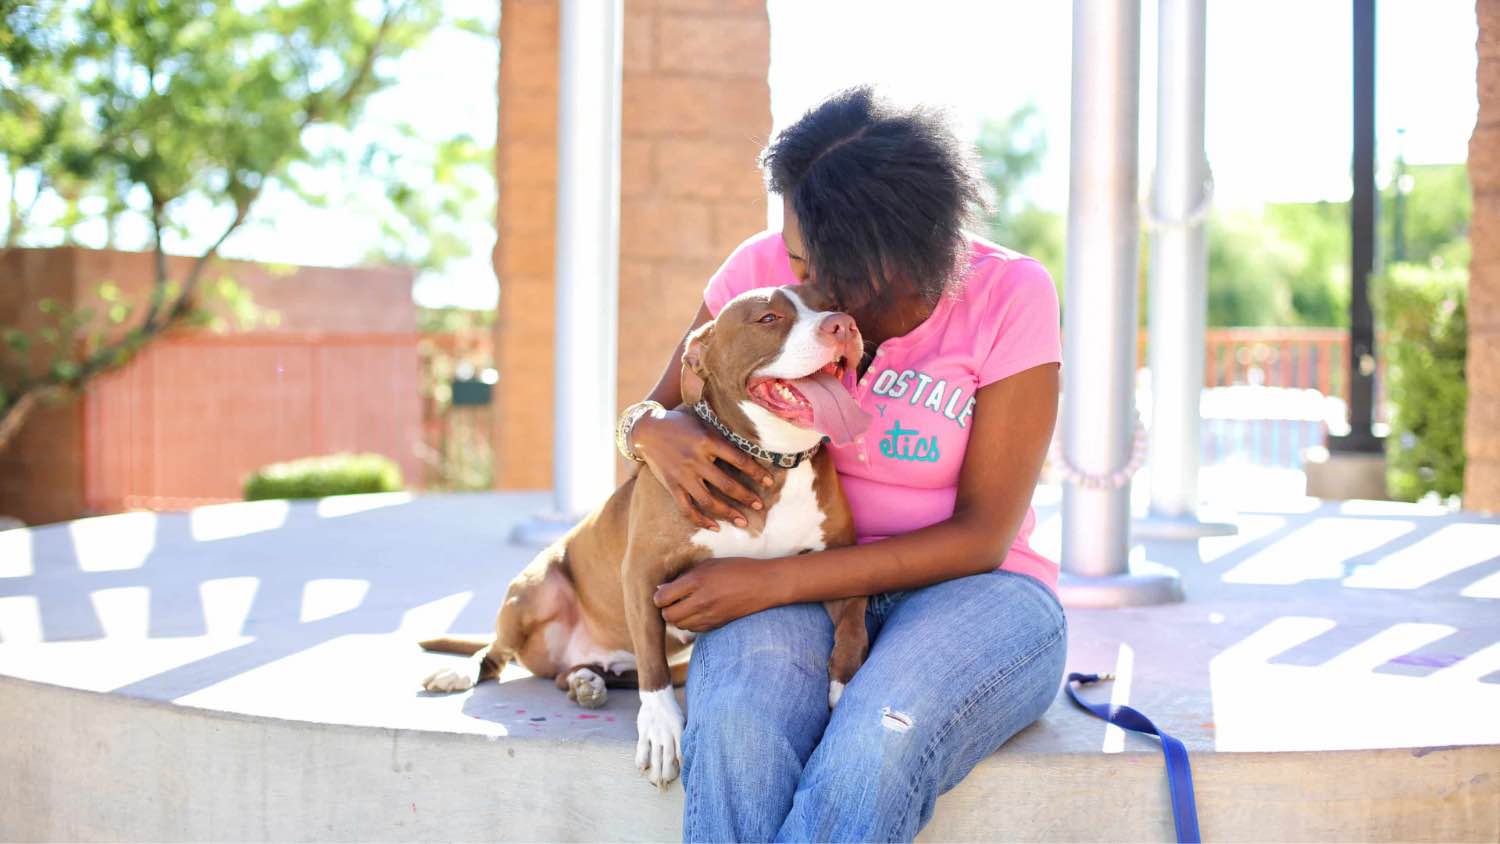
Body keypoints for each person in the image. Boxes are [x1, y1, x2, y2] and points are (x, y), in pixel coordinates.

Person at [619, 86, 1066, 843]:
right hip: (790, 584)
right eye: (791, 254)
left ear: (894, 248)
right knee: (734, 739)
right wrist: (644, 428)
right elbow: (663, 409)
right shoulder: (760, 274)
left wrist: (772, 582)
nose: (796, 282)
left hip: (975, 592)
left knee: (876, 745)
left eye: (816, 266)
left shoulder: (1009, 296)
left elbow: (983, 535)